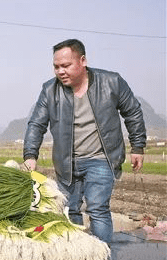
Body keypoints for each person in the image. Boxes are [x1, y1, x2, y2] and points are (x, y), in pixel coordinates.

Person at [23, 39, 146, 244]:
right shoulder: (49, 90)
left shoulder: (111, 82)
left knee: (97, 208)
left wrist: (138, 146)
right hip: (66, 162)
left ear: (83, 61)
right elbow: (36, 124)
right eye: (56, 67)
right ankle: (77, 258)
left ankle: (102, 257)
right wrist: (30, 155)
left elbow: (132, 112)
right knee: (68, 209)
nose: (60, 71)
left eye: (66, 65)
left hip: (101, 158)